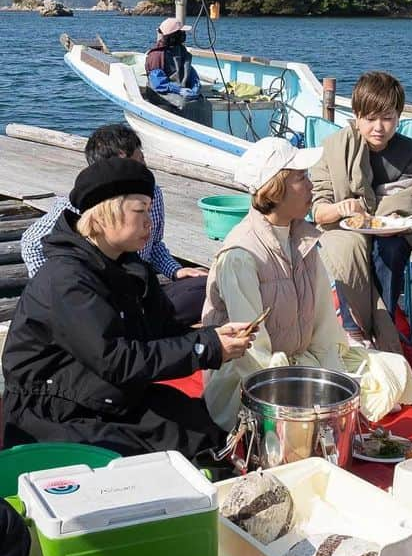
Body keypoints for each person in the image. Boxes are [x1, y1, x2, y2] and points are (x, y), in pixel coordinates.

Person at [1, 158, 251, 460]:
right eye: (140, 211)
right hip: (54, 408)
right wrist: (206, 347)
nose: (150, 221)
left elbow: (163, 332)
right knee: (149, 460)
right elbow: (116, 360)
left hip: (106, 393)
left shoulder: (131, 267)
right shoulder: (67, 279)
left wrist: (215, 335)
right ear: (106, 214)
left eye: (150, 210)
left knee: (205, 432)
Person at [201, 137, 412, 431]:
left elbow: (324, 328)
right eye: (301, 178)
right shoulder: (241, 256)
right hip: (254, 379)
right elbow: (253, 354)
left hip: (299, 361)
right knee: (328, 407)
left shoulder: (302, 240)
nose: (311, 185)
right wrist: (319, 388)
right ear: (274, 190)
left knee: (392, 369)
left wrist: (333, 377)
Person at [20, 123, 208, 325]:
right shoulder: (85, 205)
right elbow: (31, 243)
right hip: (100, 300)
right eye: (140, 159)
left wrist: (175, 270)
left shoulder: (152, 192)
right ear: (121, 160)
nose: (145, 165)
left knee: (208, 286)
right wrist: (59, 295)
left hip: (139, 289)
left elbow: (154, 245)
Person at [310, 72, 412, 354]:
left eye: (387, 118)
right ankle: (354, 328)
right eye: (370, 119)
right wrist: (341, 208)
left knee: (391, 247)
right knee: (350, 248)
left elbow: (409, 200)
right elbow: (318, 209)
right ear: (357, 116)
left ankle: (380, 326)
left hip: (390, 227)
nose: (379, 128)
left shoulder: (409, 151)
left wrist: (380, 215)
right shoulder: (335, 147)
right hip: (342, 227)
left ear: (398, 117)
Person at [145, 19, 211, 124]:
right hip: (161, 93)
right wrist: (179, 90)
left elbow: (189, 70)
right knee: (184, 104)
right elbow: (158, 84)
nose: (184, 35)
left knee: (204, 103)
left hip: (179, 88)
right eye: (181, 32)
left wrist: (195, 86)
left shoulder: (181, 50)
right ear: (173, 35)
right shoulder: (156, 55)